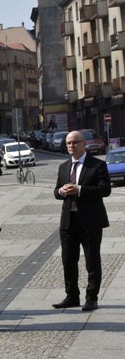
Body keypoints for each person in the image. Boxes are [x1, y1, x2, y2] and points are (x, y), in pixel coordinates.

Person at [52, 130, 111, 311]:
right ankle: (72, 296)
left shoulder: (97, 165)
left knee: (92, 261)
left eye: (75, 142)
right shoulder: (63, 167)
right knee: (68, 260)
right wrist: (62, 191)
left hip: (90, 221)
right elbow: (56, 192)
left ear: (84, 144)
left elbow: (104, 190)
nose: (71, 146)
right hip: (68, 221)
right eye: (68, 143)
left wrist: (80, 190)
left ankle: (91, 297)